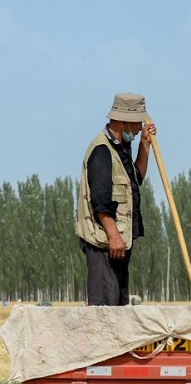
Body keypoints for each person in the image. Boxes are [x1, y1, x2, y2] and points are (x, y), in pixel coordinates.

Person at [75, 93, 157, 306]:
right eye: (137, 123)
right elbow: (100, 201)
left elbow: (135, 178)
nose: (140, 129)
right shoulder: (102, 151)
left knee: (118, 308)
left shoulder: (121, 148)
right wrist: (113, 236)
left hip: (117, 245)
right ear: (123, 121)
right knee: (104, 309)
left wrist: (145, 145)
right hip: (104, 245)